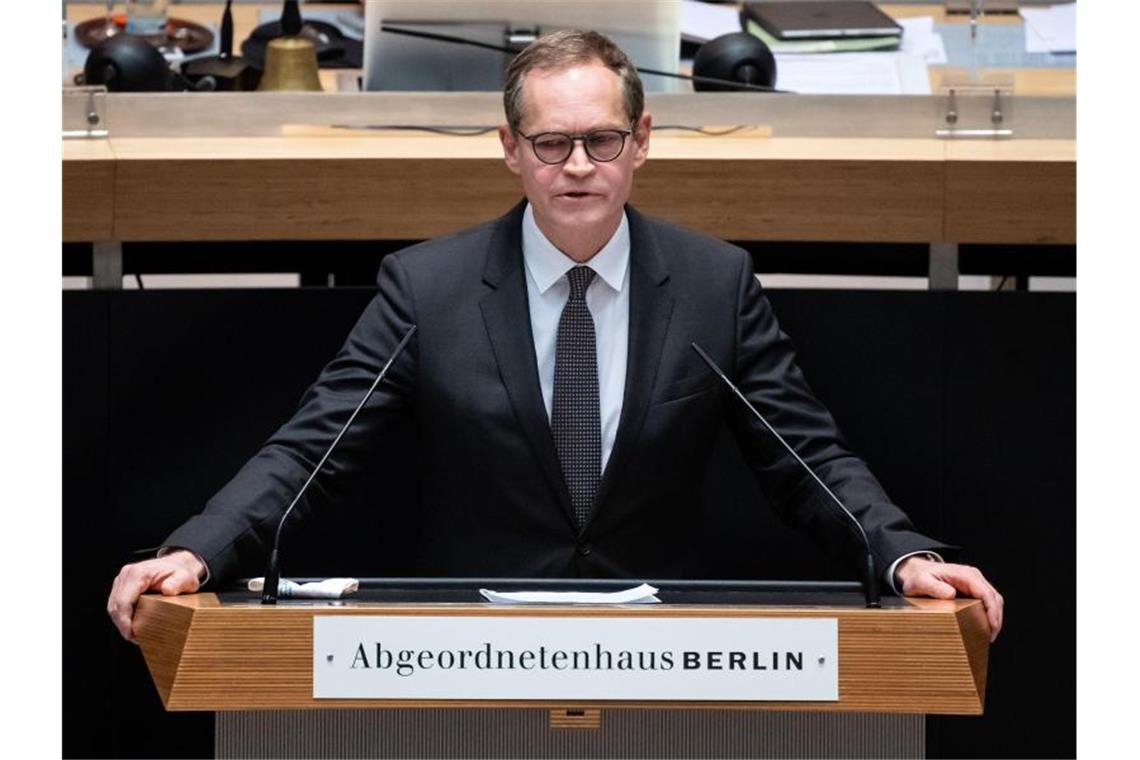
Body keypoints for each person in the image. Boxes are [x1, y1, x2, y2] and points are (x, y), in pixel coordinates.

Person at [109, 30, 1003, 643]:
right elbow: (314, 448)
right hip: (466, 644)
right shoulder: (429, 286)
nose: (578, 167)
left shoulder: (711, 283)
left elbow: (806, 457)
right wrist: (197, 547)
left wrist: (903, 554)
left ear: (643, 142)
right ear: (509, 148)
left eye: (603, 140)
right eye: (551, 144)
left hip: (667, 644)